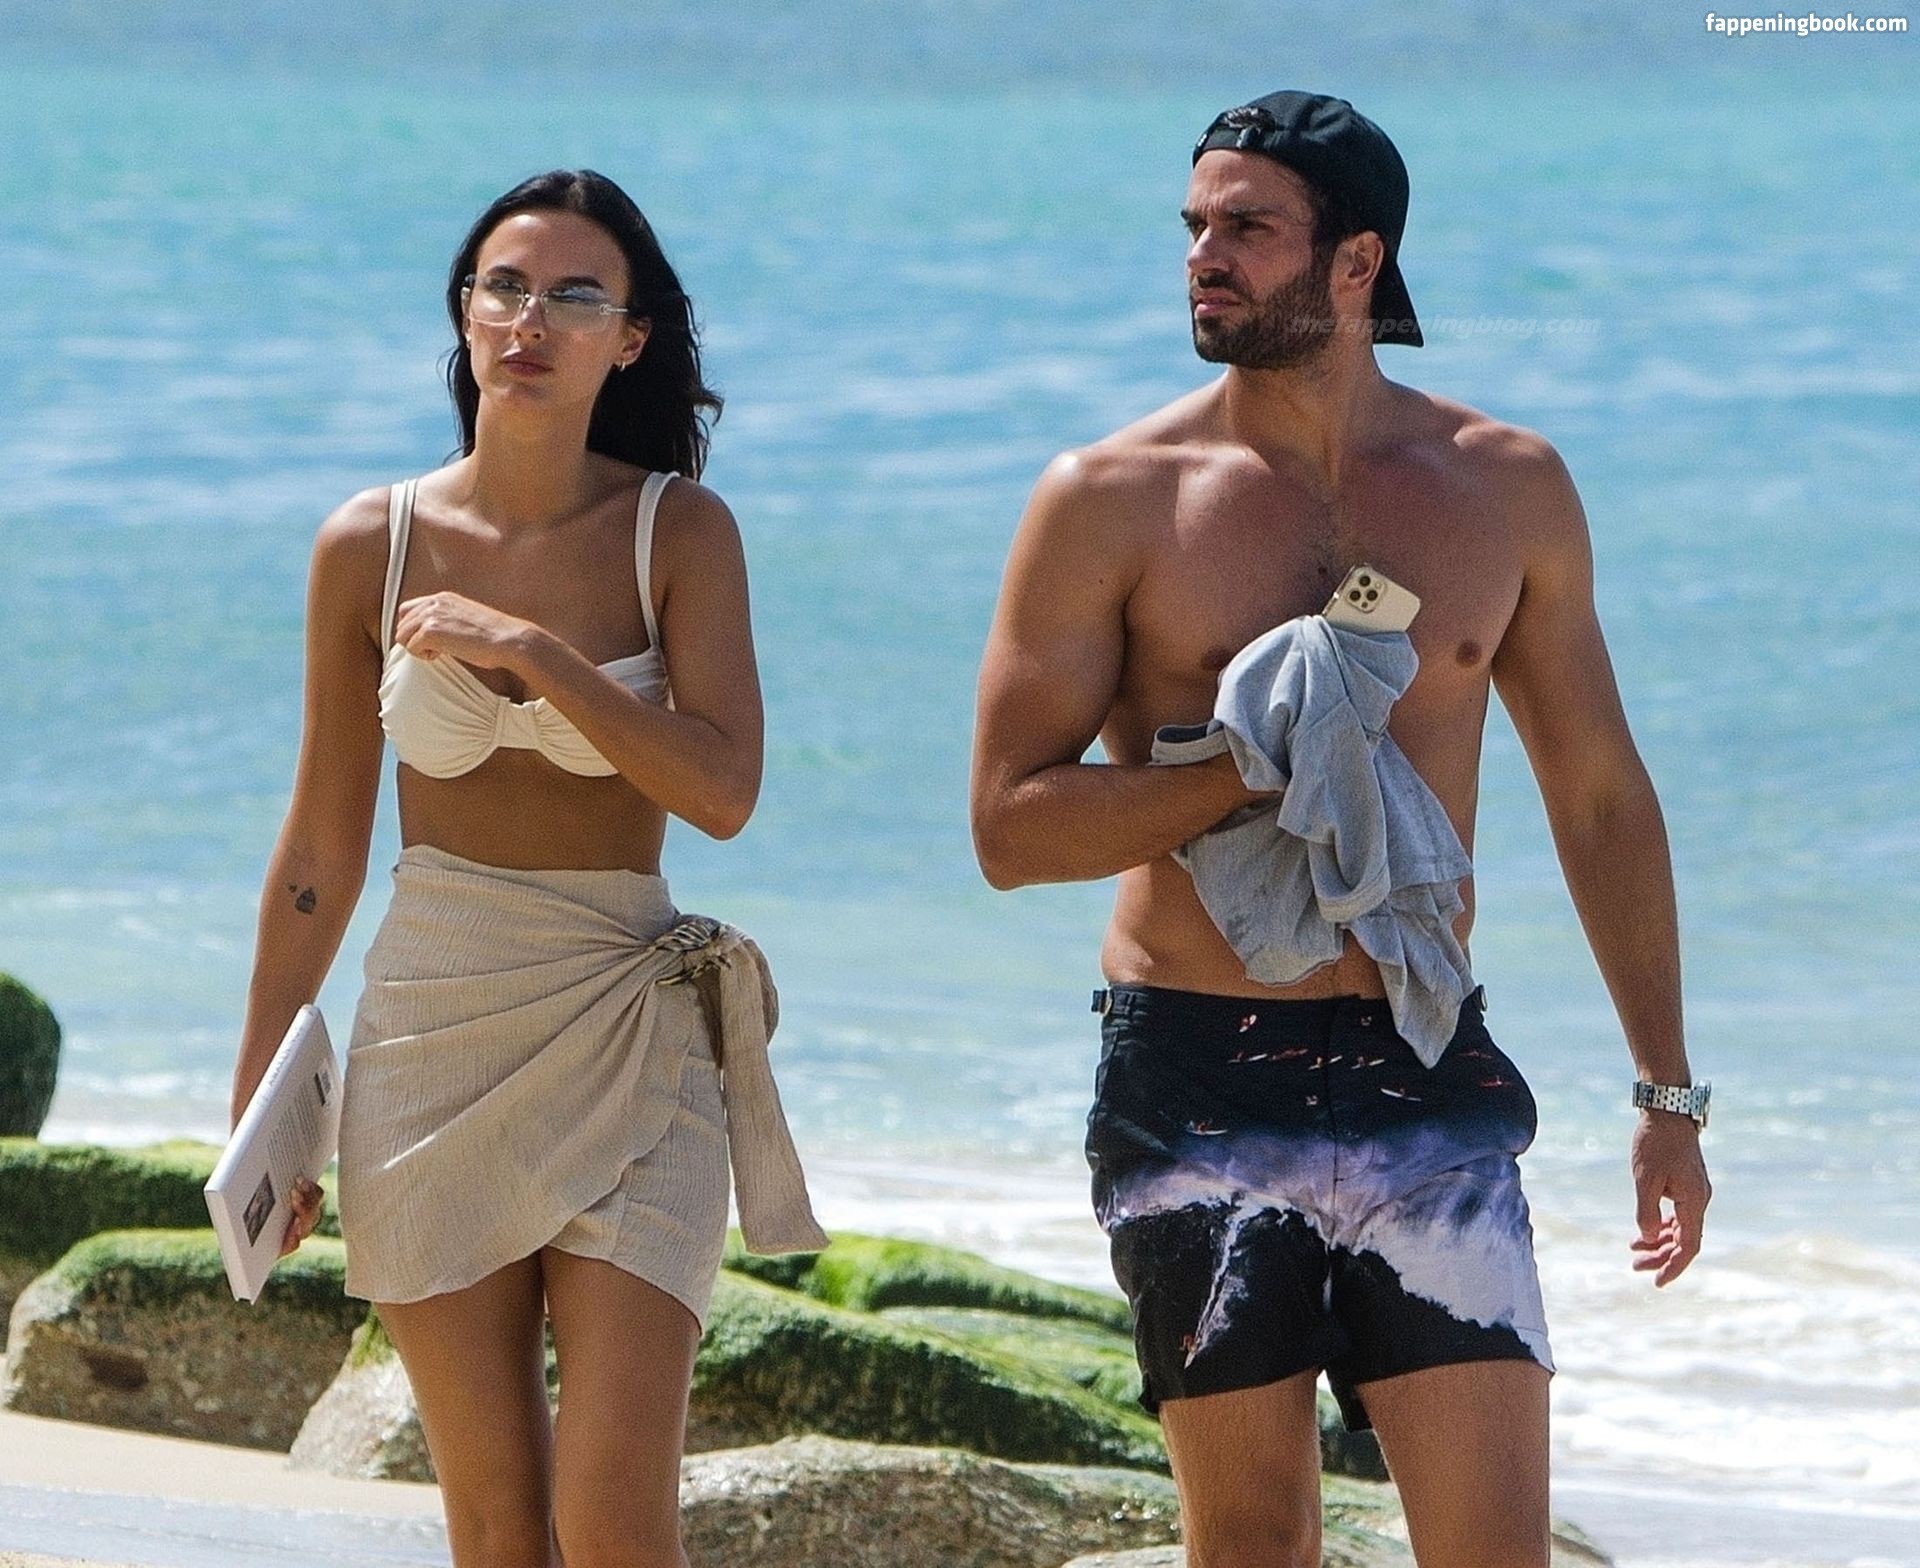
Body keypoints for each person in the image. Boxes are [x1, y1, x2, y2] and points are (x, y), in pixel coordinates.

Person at [968, 92, 1712, 1568]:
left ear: (1358, 261)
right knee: (1254, 1546)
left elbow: (1600, 795)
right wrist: (1258, 770)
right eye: (1195, 226)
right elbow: (1009, 827)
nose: (1204, 257)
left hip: (1420, 1062)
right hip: (1196, 1074)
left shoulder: (1504, 486)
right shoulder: (1110, 498)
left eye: (1248, 228)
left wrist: (1667, 1094)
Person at [228, 168, 825, 1568]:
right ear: (464, 313)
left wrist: (532, 652)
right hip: (431, 1028)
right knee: (496, 1530)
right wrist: (262, 1101)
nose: (530, 320)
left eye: (573, 296)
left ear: (630, 337)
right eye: (504, 287)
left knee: (614, 1522)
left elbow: (723, 793)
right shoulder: (368, 544)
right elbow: (320, 848)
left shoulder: (679, 531)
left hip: (630, 1015)